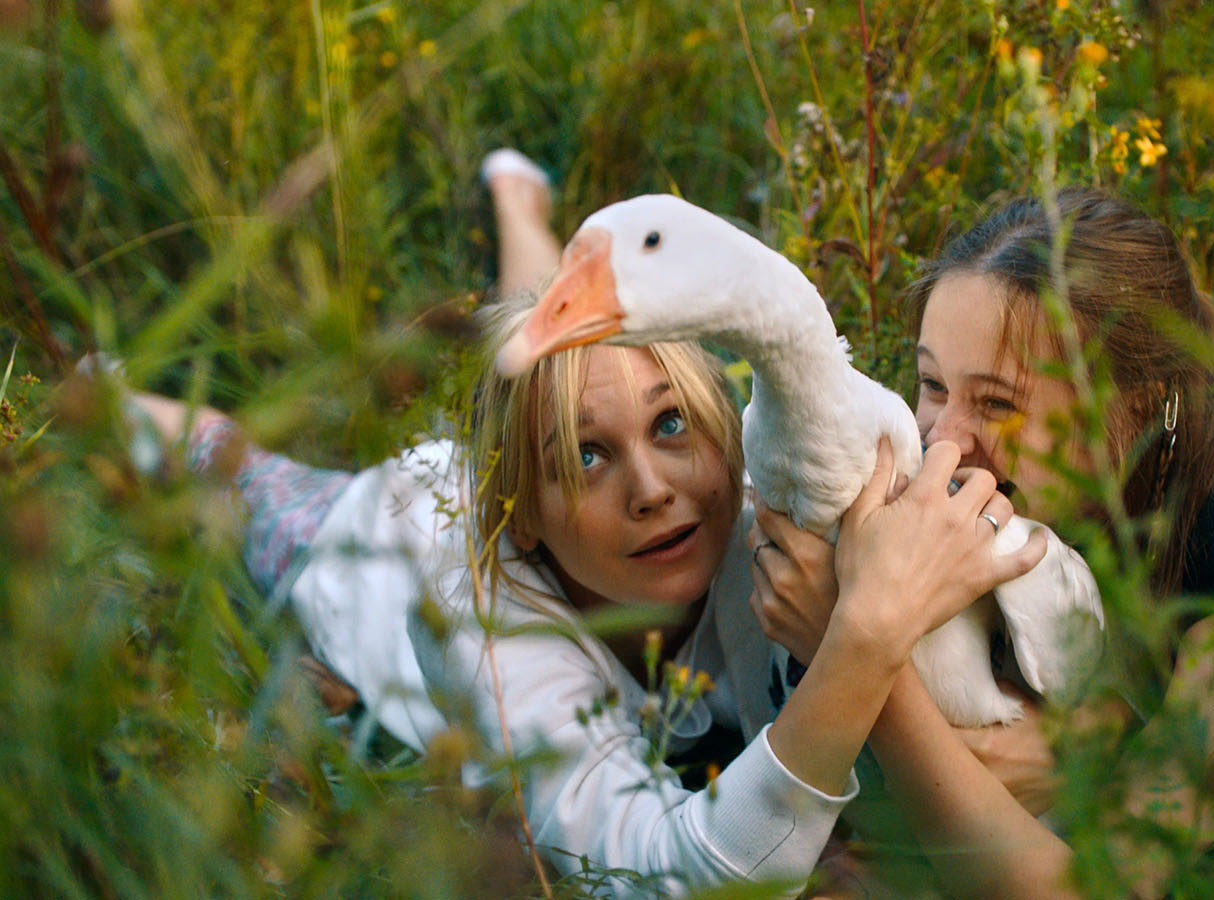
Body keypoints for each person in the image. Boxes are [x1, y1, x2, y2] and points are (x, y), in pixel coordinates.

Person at [116, 150, 1045, 899]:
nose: (652, 490)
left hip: (510, 446)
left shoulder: (769, 490)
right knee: (228, 467)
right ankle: (105, 394)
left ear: (722, 428)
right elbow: (673, 876)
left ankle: (518, 204)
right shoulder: (477, 615)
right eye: (585, 458)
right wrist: (863, 641)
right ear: (522, 513)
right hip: (378, 535)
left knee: (537, 344)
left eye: (671, 425)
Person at [749, 188, 1214, 898]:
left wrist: (859, 648)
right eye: (933, 384)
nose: (943, 442)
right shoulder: (1082, 480)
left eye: (997, 403)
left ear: (1134, 409)